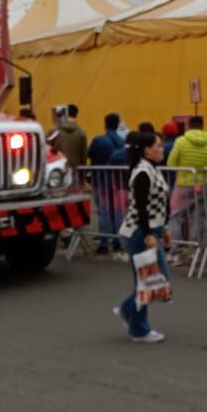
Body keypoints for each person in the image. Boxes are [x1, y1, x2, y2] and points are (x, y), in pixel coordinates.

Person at [113, 131, 171, 343]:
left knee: (153, 279)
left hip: (148, 230)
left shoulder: (151, 169)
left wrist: (163, 227)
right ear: (147, 150)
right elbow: (140, 207)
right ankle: (138, 328)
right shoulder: (143, 173)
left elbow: (159, 204)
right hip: (139, 231)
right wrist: (148, 233)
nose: (161, 149)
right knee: (148, 280)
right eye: (158, 145)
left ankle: (129, 311)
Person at [165, 117, 207, 266]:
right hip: (203, 184)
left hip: (183, 184)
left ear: (188, 126)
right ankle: (195, 252)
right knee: (198, 218)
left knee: (176, 217)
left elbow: (171, 162)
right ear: (202, 126)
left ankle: (175, 252)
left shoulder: (181, 141)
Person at [88, 113, 128, 254]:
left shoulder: (99, 140)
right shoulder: (122, 141)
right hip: (118, 182)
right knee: (117, 211)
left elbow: (89, 154)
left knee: (104, 212)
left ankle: (104, 242)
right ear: (118, 125)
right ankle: (117, 240)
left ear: (105, 123)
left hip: (101, 181)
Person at [52, 105, 89, 173]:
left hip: (58, 170)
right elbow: (84, 155)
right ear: (76, 114)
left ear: (65, 113)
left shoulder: (55, 130)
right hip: (75, 170)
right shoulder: (81, 132)